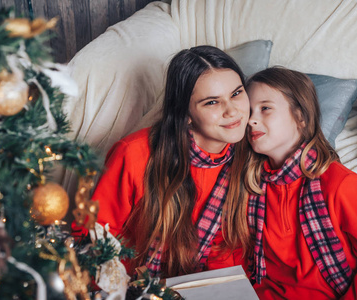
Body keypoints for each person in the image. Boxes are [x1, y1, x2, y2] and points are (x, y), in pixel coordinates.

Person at [73, 45, 251, 278]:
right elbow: (94, 236)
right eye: (212, 102)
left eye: (236, 93)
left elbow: (228, 251)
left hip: (207, 286)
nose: (232, 111)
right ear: (186, 115)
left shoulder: (249, 154)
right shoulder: (134, 154)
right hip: (134, 283)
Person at [242, 67, 357, 299]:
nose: (251, 120)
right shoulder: (252, 185)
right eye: (248, 112)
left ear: (300, 117)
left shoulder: (341, 185)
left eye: (265, 108)